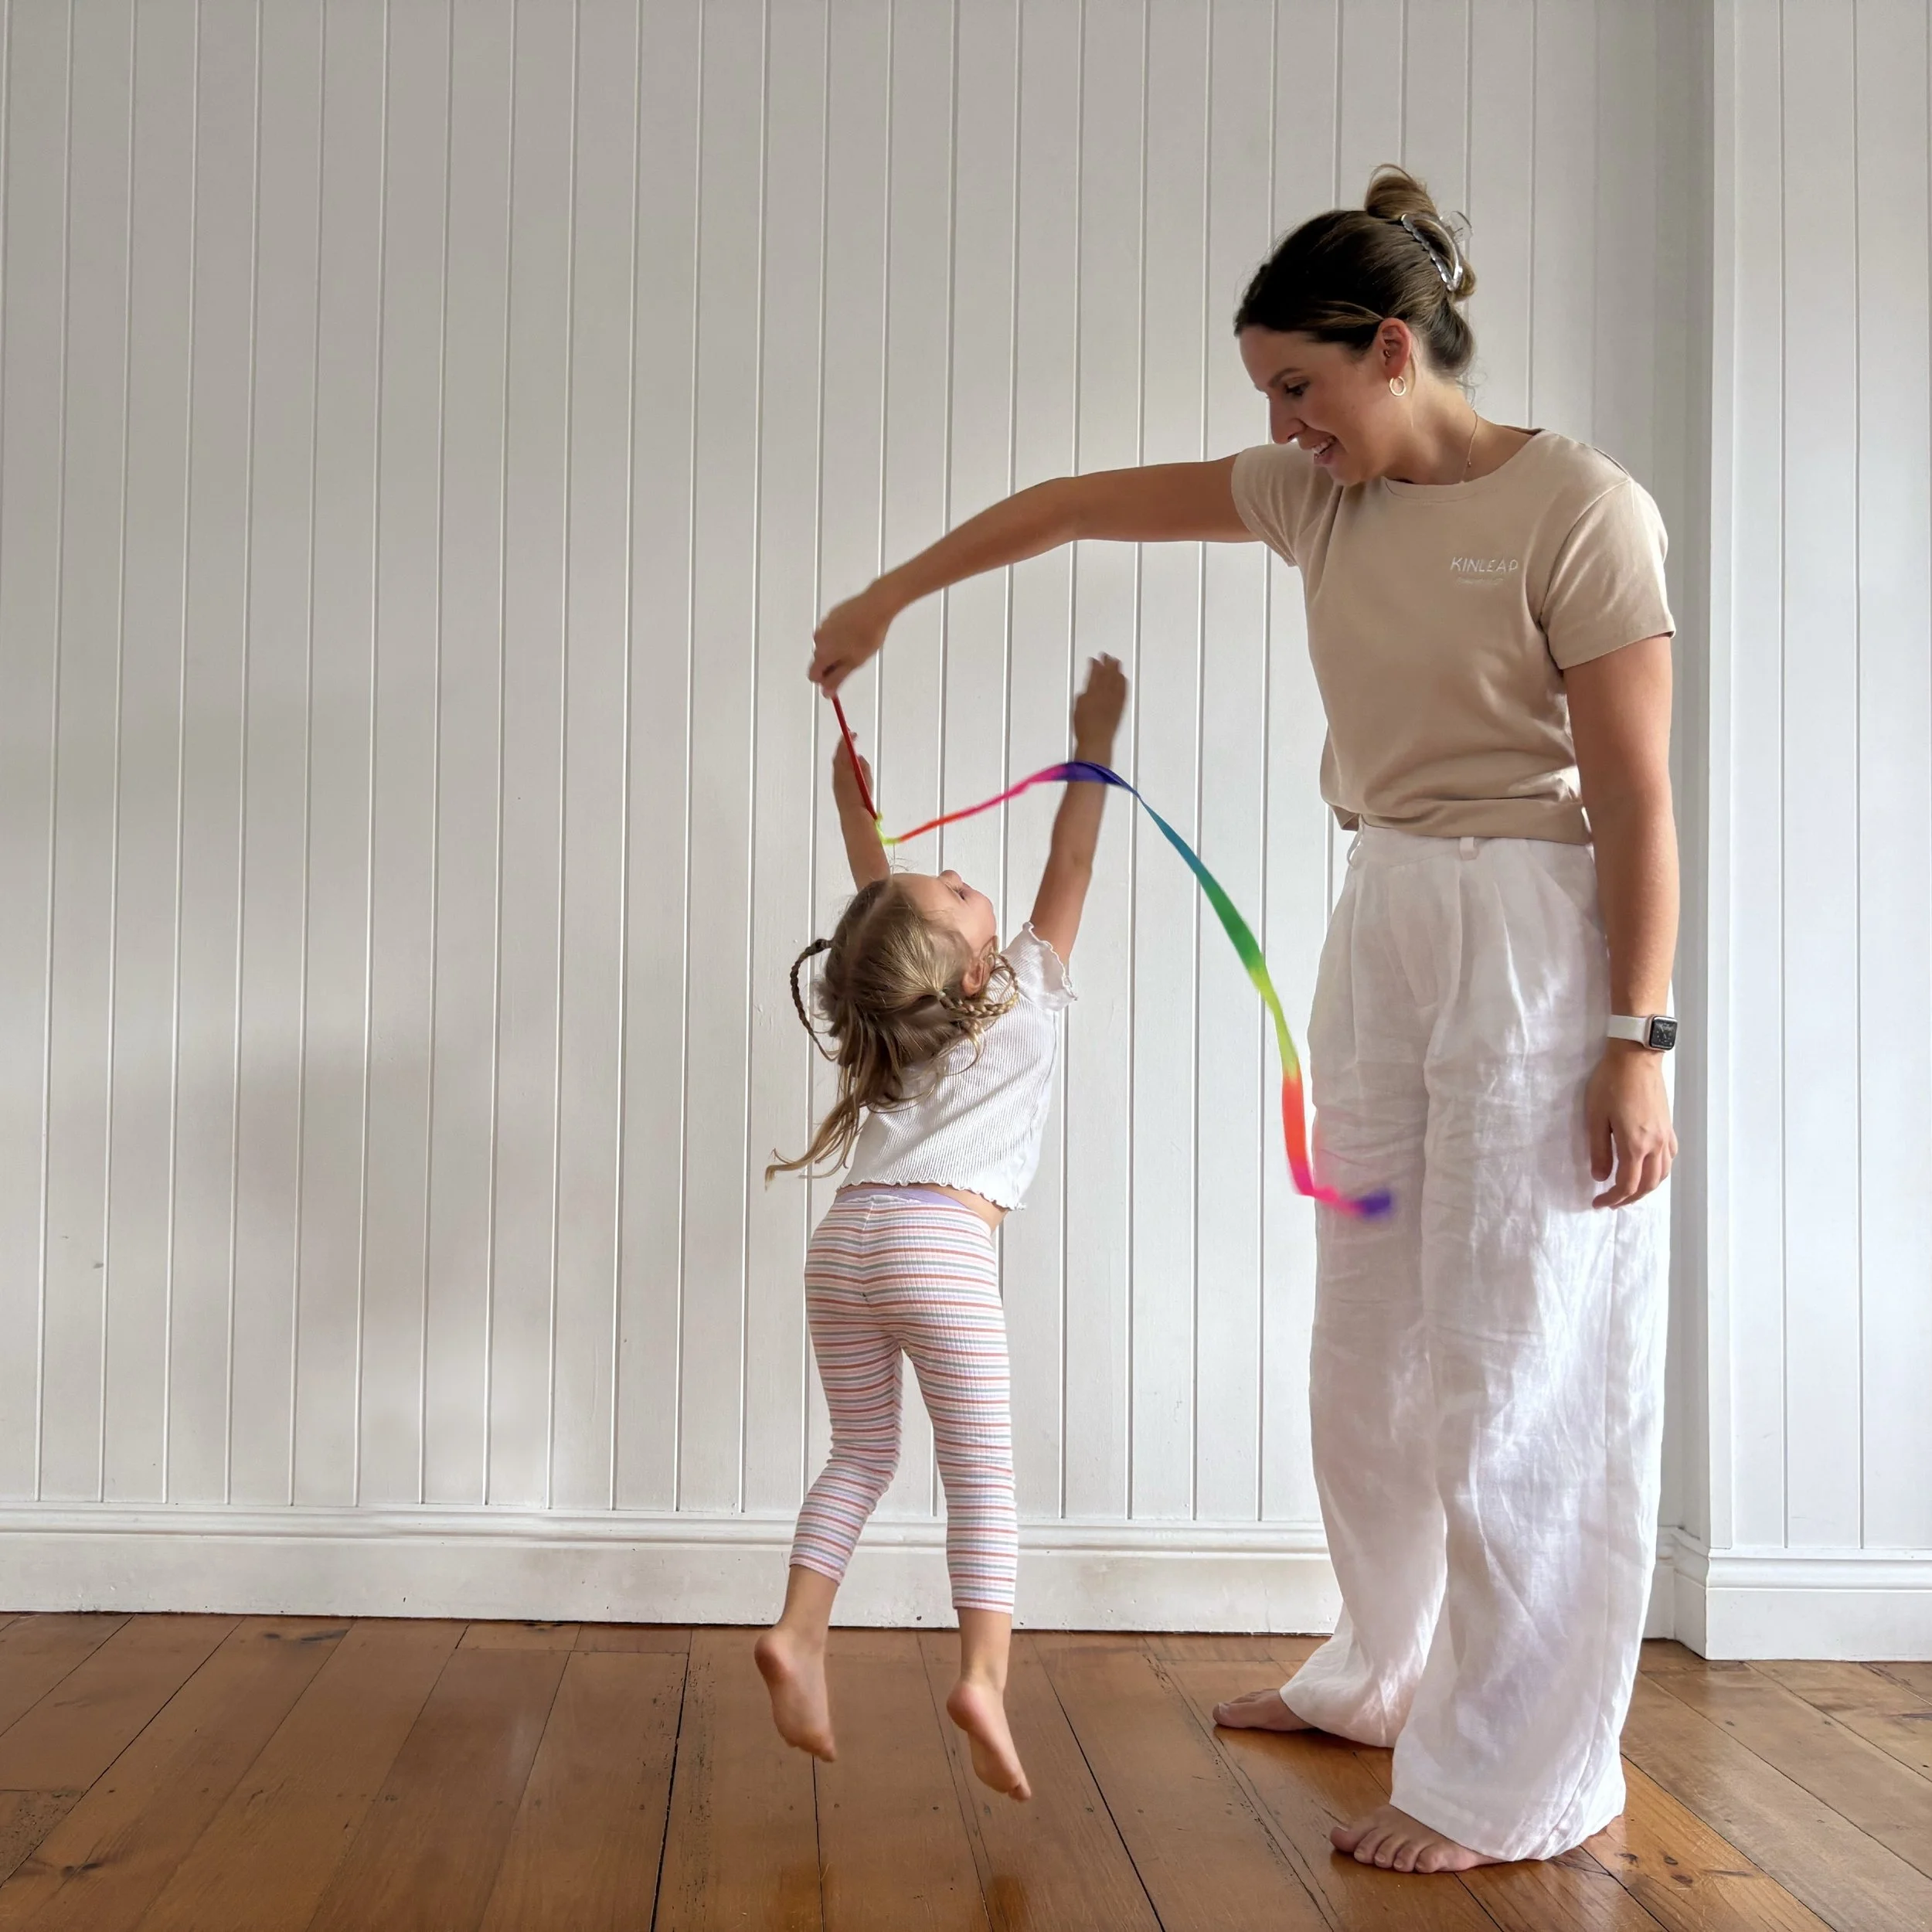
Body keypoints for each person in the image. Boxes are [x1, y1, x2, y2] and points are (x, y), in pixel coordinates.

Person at [808, 167, 1676, 1873]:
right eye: (1263, 396)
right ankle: (1381, 1669)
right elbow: (1065, 502)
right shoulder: (1314, 503)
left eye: (1300, 388)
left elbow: (1639, 801)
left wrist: (1634, 1044)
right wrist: (887, 598)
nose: (1281, 426)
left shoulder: (1583, 509)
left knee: (1515, 1361)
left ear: (1395, 348)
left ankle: (1524, 1771)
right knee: (1368, 1350)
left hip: (1531, 930)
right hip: (1385, 914)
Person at [757, 655, 1130, 1804]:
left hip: (846, 1247)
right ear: (973, 968)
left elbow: (885, 912)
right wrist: (1097, 746)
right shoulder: (1020, 996)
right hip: (938, 1253)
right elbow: (1070, 859)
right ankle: (981, 1679)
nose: (967, 879)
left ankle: (800, 1636)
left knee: (863, 1454)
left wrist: (850, 812)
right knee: (982, 1480)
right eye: (959, 895)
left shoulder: (890, 1021)